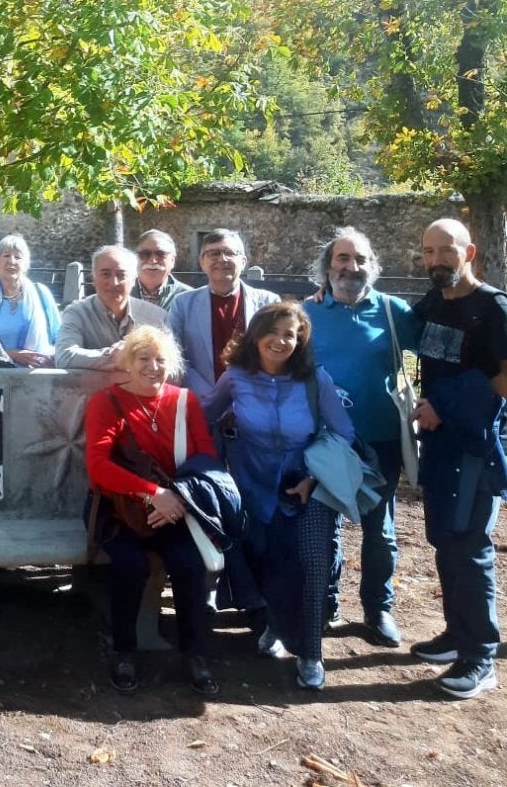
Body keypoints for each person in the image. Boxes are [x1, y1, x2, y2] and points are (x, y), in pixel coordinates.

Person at [202, 301, 355, 691]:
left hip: (303, 487)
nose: (281, 340)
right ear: (256, 334)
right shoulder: (236, 377)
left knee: (309, 566)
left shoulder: (314, 379)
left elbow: (342, 431)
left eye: (291, 334)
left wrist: (313, 477)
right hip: (250, 486)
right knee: (263, 560)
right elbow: (204, 417)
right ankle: (272, 623)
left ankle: (310, 653)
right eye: (274, 331)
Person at [85, 325, 220, 696]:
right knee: (130, 564)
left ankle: (195, 654)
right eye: (143, 358)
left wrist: (174, 498)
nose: (152, 366)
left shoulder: (185, 401)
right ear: (128, 361)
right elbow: (98, 465)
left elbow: (205, 457)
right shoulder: (106, 401)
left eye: (160, 359)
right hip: (118, 506)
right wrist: (152, 493)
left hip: (175, 506)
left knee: (189, 565)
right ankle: (124, 650)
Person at [406, 218, 507, 700]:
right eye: (428, 252)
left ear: (468, 253)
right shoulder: (431, 302)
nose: (436, 260)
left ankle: (480, 656)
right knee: (445, 539)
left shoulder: (493, 308)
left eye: (446, 250)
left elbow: (505, 381)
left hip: (476, 448)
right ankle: (455, 636)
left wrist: (444, 407)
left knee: (470, 547)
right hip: (439, 445)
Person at [303, 227, 420, 647]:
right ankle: (325, 603)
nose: (351, 267)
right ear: (328, 266)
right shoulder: (307, 313)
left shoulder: (393, 311)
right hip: (326, 441)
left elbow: (436, 354)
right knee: (325, 525)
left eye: (360, 260)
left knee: (380, 531)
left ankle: (378, 608)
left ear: (372, 266)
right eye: (342, 259)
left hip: (382, 438)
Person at [169, 229, 280, 398]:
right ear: (202, 262)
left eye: (230, 253)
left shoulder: (269, 303)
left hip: (255, 399)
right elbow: (175, 356)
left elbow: (277, 353)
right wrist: (212, 395)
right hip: (201, 401)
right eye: (214, 253)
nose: (222, 259)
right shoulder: (183, 304)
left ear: (243, 261)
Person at [55, 246, 168, 370]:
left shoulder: (156, 317)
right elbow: (64, 357)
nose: (113, 282)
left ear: (134, 280)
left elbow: (175, 367)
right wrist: (118, 357)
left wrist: (130, 354)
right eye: (105, 274)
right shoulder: (77, 313)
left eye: (121, 275)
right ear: (93, 279)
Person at [0, 235, 61, 366]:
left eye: (18, 257)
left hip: (38, 376)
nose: (11, 261)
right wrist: (12, 355)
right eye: (6, 255)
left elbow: (59, 336)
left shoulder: (41, 293)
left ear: (25, 265)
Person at [132, 230, 192, 310]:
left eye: (161, 254)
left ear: (172, 261)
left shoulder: (188, 298)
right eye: (145, 254)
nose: (153, 261)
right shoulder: (120, 292)